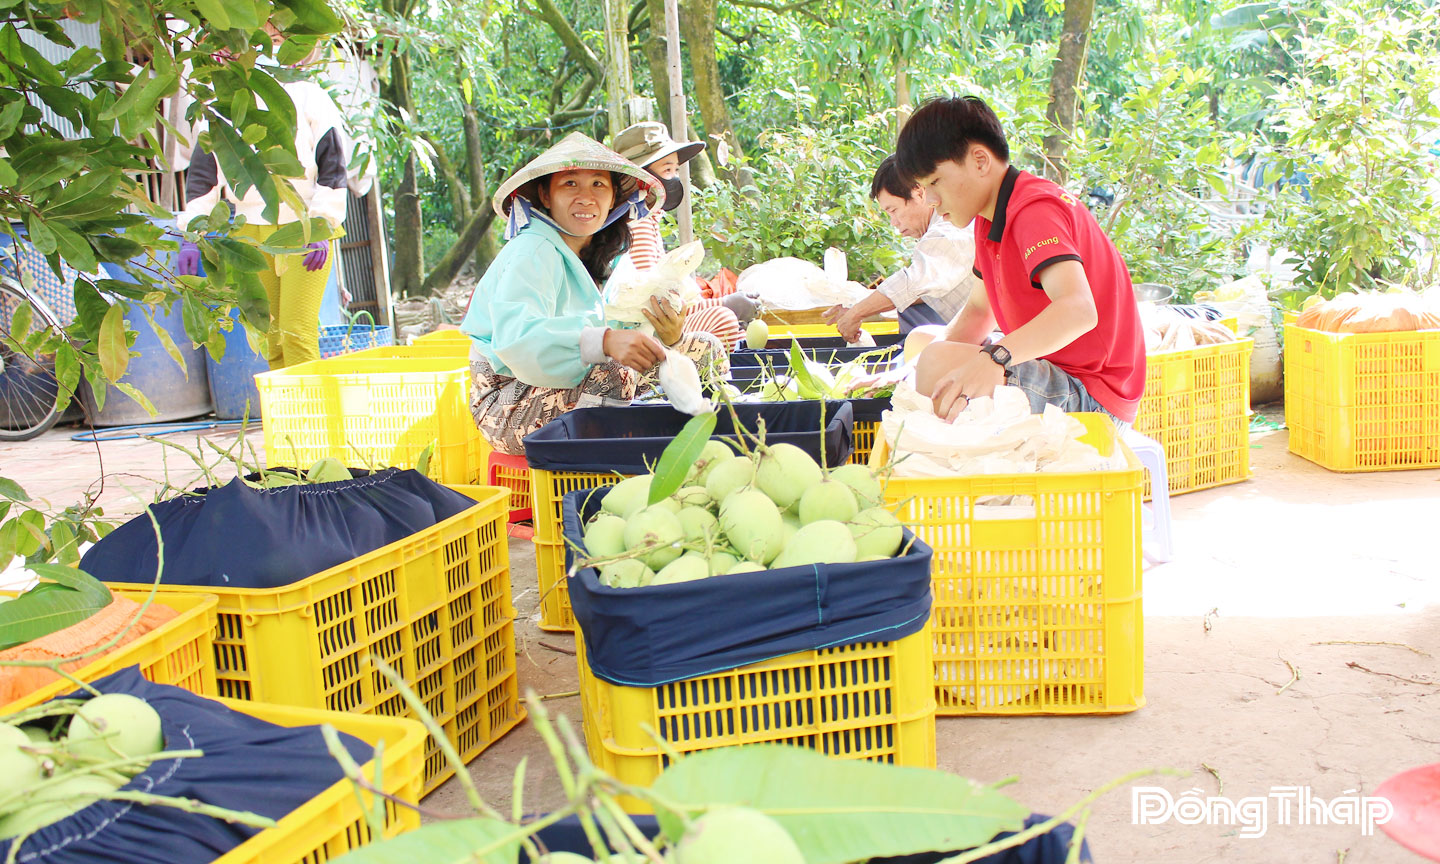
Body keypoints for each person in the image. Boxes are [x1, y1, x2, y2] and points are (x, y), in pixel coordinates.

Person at [462, 132, 718, 455]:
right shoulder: (533, 250)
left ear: (613, 197)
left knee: (703, 350)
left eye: (598, 184)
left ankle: (705, 449)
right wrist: (604, 342)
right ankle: (608, 467)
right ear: (545, 195)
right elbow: (518, 339)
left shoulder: (605, 254)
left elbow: (623, 328)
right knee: (613, 374)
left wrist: (668, 337)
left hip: (569, 381)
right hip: (506, 404)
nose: (585, 198)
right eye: (570, 184)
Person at [895, 96, 1144, 429]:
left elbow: (1079, 310)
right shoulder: (989, 219)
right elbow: (979, 312)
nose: (931, 200)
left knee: (937, 360)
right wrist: (905, 375)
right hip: (1055, 370)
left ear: (980, 161)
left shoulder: (1034, 210)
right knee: (921, 344)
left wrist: (995, 357)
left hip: (1093, 396)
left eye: (934, 182)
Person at [176, 22, 348, 370]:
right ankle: (283, 409)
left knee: (297, 333)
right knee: (270, 336)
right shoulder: (218, 108)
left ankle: (310, 409)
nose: (266, 49)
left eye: (275, 40)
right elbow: (203, 179)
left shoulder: (310, 95)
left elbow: (332, 166)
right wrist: (192, 236)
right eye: (258, 41)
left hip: (304, 230)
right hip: (249, 233)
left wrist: (320, 224)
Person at [612, 121, 761, 352]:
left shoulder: (647, 219)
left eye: (675, 171)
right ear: (638, 178)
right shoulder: (636, 225)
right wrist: (723, 304)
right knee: (723, 320)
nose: (674, 178)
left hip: (653, 331)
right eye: (667, 171)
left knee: (732, 326)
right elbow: (655, 307)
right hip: (644, 337)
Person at [824, 154, 979, 343]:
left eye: (893, 210)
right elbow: (915, 292)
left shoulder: (952, 227)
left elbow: (913, 281)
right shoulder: (940, 226)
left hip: (997, 340)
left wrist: (857, 312)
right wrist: (857, 306)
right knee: (906, 306)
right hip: (971, 331)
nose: (894, 222)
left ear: (919, 193)